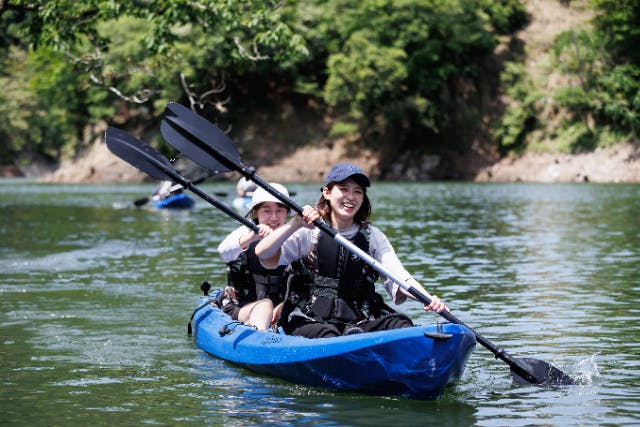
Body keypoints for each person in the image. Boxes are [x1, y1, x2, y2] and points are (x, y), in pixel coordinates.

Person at [255, 163, 448, 338]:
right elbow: (262, 253)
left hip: (359, 320)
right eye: (343, 189)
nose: (350, 197)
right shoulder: (308, 231)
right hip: (308, 318)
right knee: (327, 335)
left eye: (357, 191)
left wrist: (429, 299)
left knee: (401, 323)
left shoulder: (372, 235)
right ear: (327, 193)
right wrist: (295, 223)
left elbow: (400, 276)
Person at [217, 183, 294, 331]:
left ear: (287, 213)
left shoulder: (295, 236)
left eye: (280, 211)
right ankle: (261, 339)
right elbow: (223, 252)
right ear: (255, 213)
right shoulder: (244, 232)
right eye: (266, 211)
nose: (274, 217)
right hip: (242, 307)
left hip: (281, 308)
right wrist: (252, 237)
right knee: (265, 306)